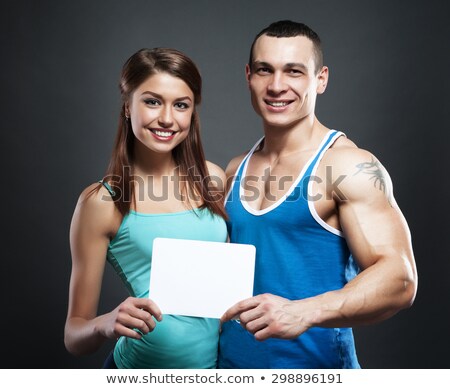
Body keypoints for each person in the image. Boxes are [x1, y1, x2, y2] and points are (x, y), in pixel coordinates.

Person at [218, 20, 417, 368]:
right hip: (232, 369)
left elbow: (400, 279)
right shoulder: (236, 169)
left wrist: (304, 312)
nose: (276, 85)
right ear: (248, 76)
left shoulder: (347, 165)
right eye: (265, 70)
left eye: (293, 71)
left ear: (320, 79)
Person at [64, 48, 228, 368]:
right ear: (127, 106)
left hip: (213, 369)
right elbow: (73, 336)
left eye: (181, 105)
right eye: (152, 101)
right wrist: (106, 322)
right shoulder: (101, 202)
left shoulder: (213, 179)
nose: (167, 118)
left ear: (192, 112)